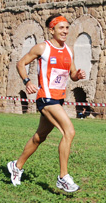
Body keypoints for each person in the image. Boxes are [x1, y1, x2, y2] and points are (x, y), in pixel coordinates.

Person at [7, 14, 86, 193]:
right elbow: (21, 63)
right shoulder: (42, 47)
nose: (65, 31)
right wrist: (27, 81)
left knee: (39, 137)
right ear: (52, 30)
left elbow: (72, 73)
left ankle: (16, 166)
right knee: (69, 131)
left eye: (67, 28)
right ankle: (63, 177)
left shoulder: (69, 50)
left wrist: (77, 76)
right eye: (61, 28)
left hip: (58, 99)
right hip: (45, 98)